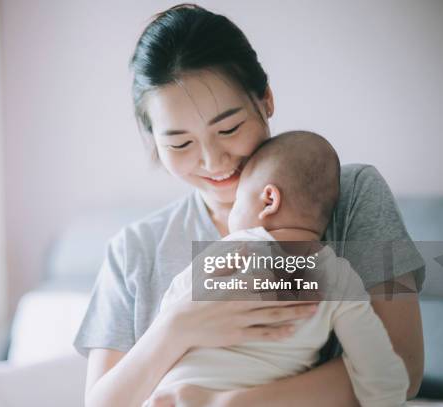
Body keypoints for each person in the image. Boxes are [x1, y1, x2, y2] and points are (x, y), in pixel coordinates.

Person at [74, 5, 424, 407]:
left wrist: (232, 402)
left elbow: (404, 365)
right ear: (154, 141)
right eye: (180, 143)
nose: (213, 161)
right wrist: (176, 326)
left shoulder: (354, 195)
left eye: (229, 128)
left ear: (266, 100)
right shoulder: (132, 250)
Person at [148, 131, 409, 407]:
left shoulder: (231, 251)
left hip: (176, 393)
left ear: (268, 200)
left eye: (237, 202)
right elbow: (380, 370)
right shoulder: (339, 278)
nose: (232, 213)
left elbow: (172, 310)